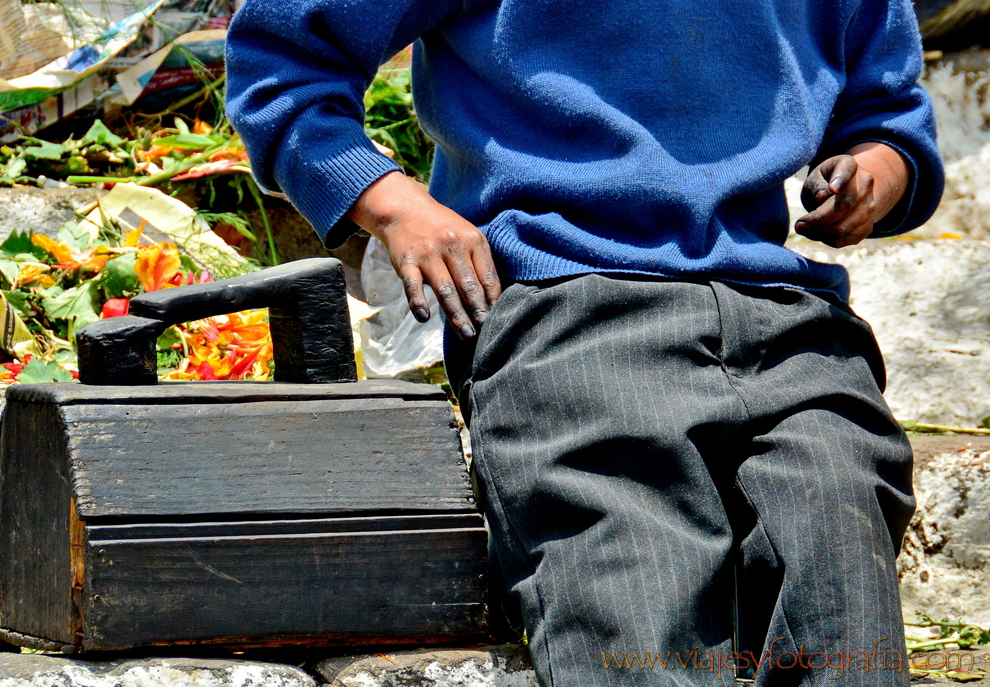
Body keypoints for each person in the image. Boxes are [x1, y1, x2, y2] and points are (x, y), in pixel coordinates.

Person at [225, 2, 944, 685]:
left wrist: (878, 169)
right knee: (634, 616)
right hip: (570, 317)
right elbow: (282, 64)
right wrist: (393, 203)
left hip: (792, 325)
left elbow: (883, 110)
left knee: (843, 579)